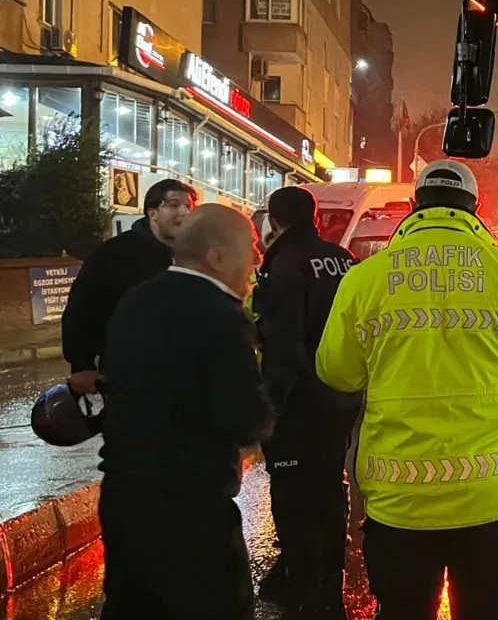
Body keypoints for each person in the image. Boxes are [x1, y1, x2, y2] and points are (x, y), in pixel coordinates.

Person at [316, 159, 498, 620]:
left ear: (414, 206)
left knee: (403, 610)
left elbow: (336, 373)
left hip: (400, 504)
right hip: (492, 500)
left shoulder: (364, 279)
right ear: (476, 208)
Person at [96, 204, 275, 620]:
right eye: (250, 247)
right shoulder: (221, 318)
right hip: (190, 511)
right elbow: (244, 419)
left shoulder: (135, 301)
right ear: (216, 257)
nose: (257, 258)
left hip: (124, 499)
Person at [253, 186, 361, 618]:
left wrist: (270, 404)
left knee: (293, 487)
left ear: (274, 220)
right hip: (341, 394)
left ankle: (301, 574)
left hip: (300, 397)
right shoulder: (341, 258)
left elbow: (283, 340)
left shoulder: (284, 262)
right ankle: (331, 570)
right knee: (329, 479)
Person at [62, 179, 197, 395]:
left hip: (182, 376)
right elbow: (82, 309)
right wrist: (81, 365)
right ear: (152, 213)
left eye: (189, 206)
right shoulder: (114, 255)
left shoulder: (195, 254)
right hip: (128, 374)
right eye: (173, 205)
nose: (184, 212)